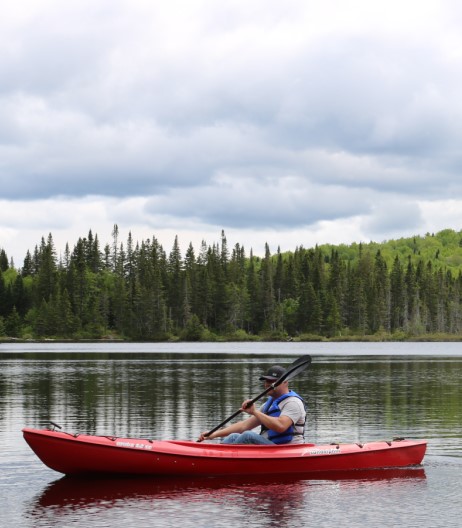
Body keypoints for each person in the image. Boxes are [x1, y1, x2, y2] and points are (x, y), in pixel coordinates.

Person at [197, 365, 306, 444]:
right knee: (234, 436)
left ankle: (223, 460)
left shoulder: (293, 402)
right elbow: (243, 426)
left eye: (272, 381)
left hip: (287, 449)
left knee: (248, 436)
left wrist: (254, 411)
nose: (267, 384)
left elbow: (281, 426)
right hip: (272, 447)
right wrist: (214, 434)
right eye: (266, 381)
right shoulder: (268, 405)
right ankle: (218, 454)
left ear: (285, 382)